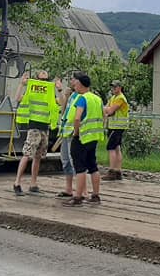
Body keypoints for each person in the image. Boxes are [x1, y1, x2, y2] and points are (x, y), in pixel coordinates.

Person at [12, 70, 57, 195]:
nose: (43, 83)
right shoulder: (31, 90)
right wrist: (22, 84)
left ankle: (33, 184)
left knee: (38, 156)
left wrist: (59, 90)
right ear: (36, 79)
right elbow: (18, 98)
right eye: (41, 80)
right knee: (27, 154)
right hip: (34, 127)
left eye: (46, 80)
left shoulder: (49, 92)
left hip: (44, 127)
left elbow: (58, 103)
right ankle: (17, 183)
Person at [62, 72, 103, 206]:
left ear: (80, 83)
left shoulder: (81, 98)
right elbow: (104, 115)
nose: (75, 85)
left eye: (76, 83)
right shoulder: (97, 99)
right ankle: (96, 195)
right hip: (94, 137)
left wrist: (76, 133)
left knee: (79, 167)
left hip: (82, 137)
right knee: (93, 166)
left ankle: (78, 197)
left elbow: (77, 117)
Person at [54, 75, 80, 199]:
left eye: (73, 79)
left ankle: (80, 191)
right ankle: (69, 189)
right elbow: (63, 111)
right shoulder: (71, 96)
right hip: (65, 131)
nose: (70, 81)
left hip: (73, 133)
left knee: (74, 161)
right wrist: (63, 94)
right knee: (65, 161)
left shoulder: (81, 96)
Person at [102, 79, 129, 181]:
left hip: (117, 126)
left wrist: (106, 109)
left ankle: (112, 171)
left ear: (120, 88)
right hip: (115, 126)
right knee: (117, 148)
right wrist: (106, 109)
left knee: (111, 148)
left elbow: (110, 110)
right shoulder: (114, 97)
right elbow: (107, 108)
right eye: (112, 87)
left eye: (115, 87)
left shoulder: (120, 98)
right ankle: (118, 171)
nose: (113, 89)